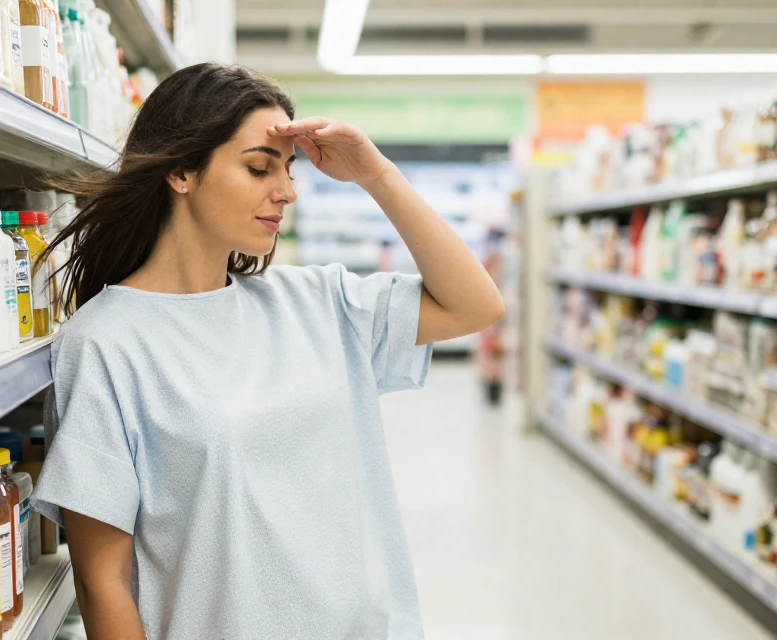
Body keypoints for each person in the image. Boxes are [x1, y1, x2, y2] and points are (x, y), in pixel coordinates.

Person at [30, 63, 504, 639]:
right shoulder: (106, 341)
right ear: (181, 171)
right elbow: (101, 581)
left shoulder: (317, 302)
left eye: (288, 169)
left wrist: (375, 175)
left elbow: (475, 306)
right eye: (259, 167)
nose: (286, 191)